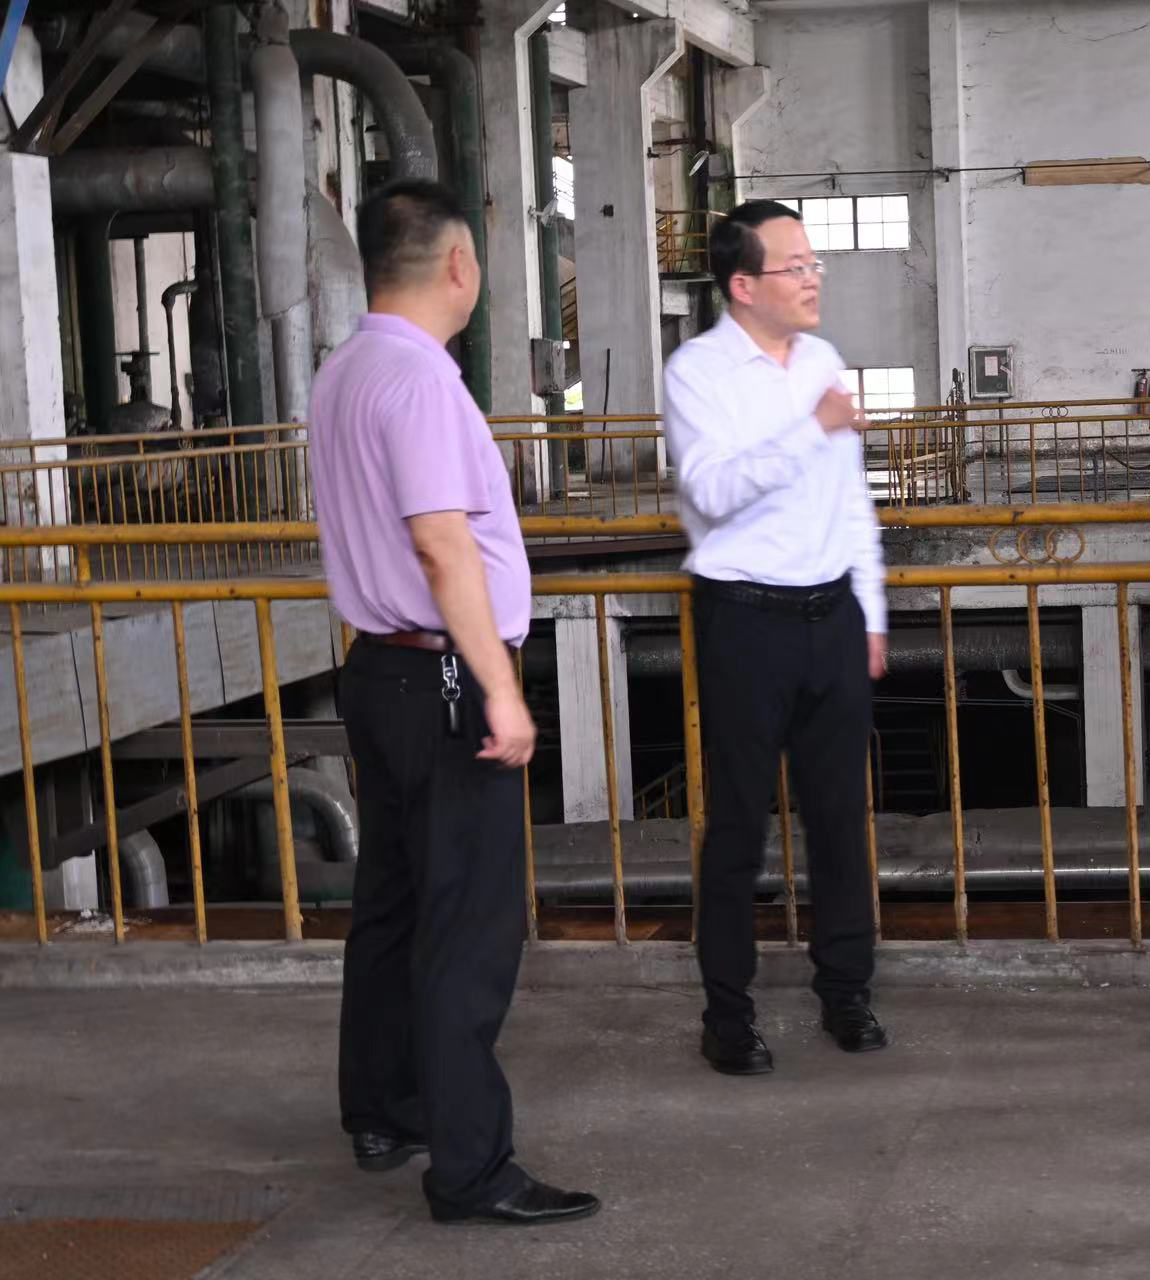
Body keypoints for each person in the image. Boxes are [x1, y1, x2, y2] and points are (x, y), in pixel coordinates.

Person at [310, 179, 597, 1227]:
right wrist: (501, 689)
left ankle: (384, 1109)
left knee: (390, 904)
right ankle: (473, 1169)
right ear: (458, 265)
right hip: (440, 675)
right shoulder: (423, 382)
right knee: (468, 924)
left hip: (377, 674)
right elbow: (442, 545)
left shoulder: (343, 370)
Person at [662, 200, 889, 1076]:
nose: (812, 277)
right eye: (794, 266)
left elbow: (851, 499)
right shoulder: (698, 372)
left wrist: (870, 612)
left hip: (831, 616)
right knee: (737, 829)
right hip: (744, 620)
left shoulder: (823, 361)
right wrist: (813, 427)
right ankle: (728, 1016)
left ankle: (848, 993)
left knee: (840, 822)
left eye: (813, 262)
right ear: (743, 285)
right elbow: (712, 491)